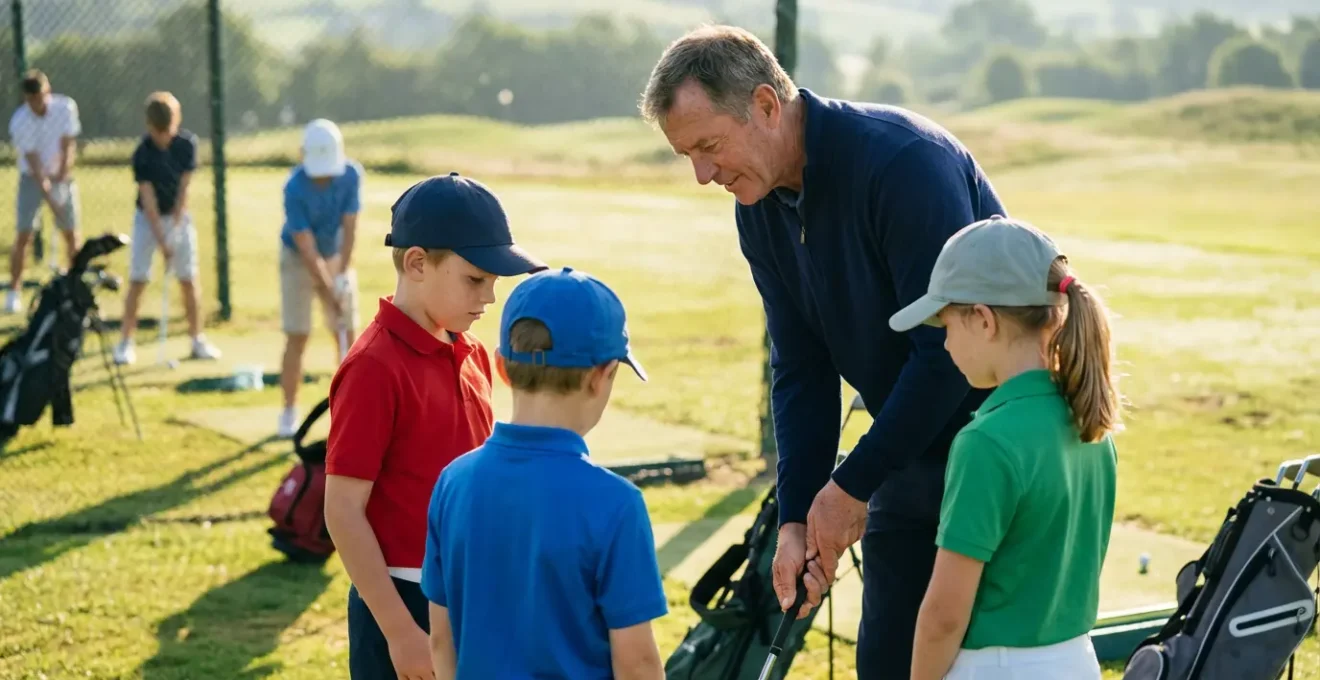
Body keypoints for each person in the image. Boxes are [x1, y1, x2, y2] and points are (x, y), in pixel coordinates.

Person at [640, 25, 1005, 676]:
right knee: (888, 662)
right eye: (686, 156)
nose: (702, 175)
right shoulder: (756, 205)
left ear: (766, 107)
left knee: (983, 661)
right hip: (905, 455)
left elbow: (944, 354)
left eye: (708, 146)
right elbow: (800, 367)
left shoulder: (903, 164)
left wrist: (849, 488)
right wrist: (797, 517)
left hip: (1003, 449)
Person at [323, 172, 546, 680]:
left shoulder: (471, 354)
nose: (489, 297)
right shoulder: (373, 368)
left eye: (493, 283)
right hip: (405, 603)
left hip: (475, 597)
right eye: (475, 279)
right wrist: (401, 633)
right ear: (417, 262)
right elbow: (342, 511)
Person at [893, 216, 1120, 680]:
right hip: (1077, 663)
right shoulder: (1091, 424)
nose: (947, 344)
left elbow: (944, 616)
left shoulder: (985, 442)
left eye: (946, 325)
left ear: (983, 319)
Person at [421, 266, 666, 679]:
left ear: (500, 367)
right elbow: (637, 662)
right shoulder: (616, 505)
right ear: (601, 376)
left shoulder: (453, 482)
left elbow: (441, 640)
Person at [113, 91, 222, 365]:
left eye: (168, 130)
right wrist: (163, 241)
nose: (164, 136)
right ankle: (125, 343)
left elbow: (184, 188)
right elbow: (148, 200)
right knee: (138, 279)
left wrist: (175, 224)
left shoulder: (187, 145)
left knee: (188, 279)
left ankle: (197, 340)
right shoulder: (143, 153)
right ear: (149, 127)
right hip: (147, 219)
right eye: (159, 131)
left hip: (178, 216)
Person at [278, 118, 363, 438]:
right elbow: (306, 247)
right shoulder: (294, 187)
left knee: (348, 335)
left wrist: (342, 273)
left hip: (336, 254)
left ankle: (353, 410)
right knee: (298, 334)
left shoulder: (351, 175)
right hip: (298, 258)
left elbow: (351, 227)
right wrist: (329, 289)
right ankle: (288, 411)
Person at [7, 69, 81, 313]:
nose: (36, 103)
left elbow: (68, 145)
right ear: (26, 98)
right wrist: (50, 195)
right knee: (24, 234)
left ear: (47, 91)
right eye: (31, 99)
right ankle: (14, 290)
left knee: (71, 233)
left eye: (40, 97)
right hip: (32, 178)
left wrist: (62, 175)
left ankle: (75, 286)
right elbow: (34, 163)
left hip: (62, 175)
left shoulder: (65, 108)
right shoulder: (20, 121)